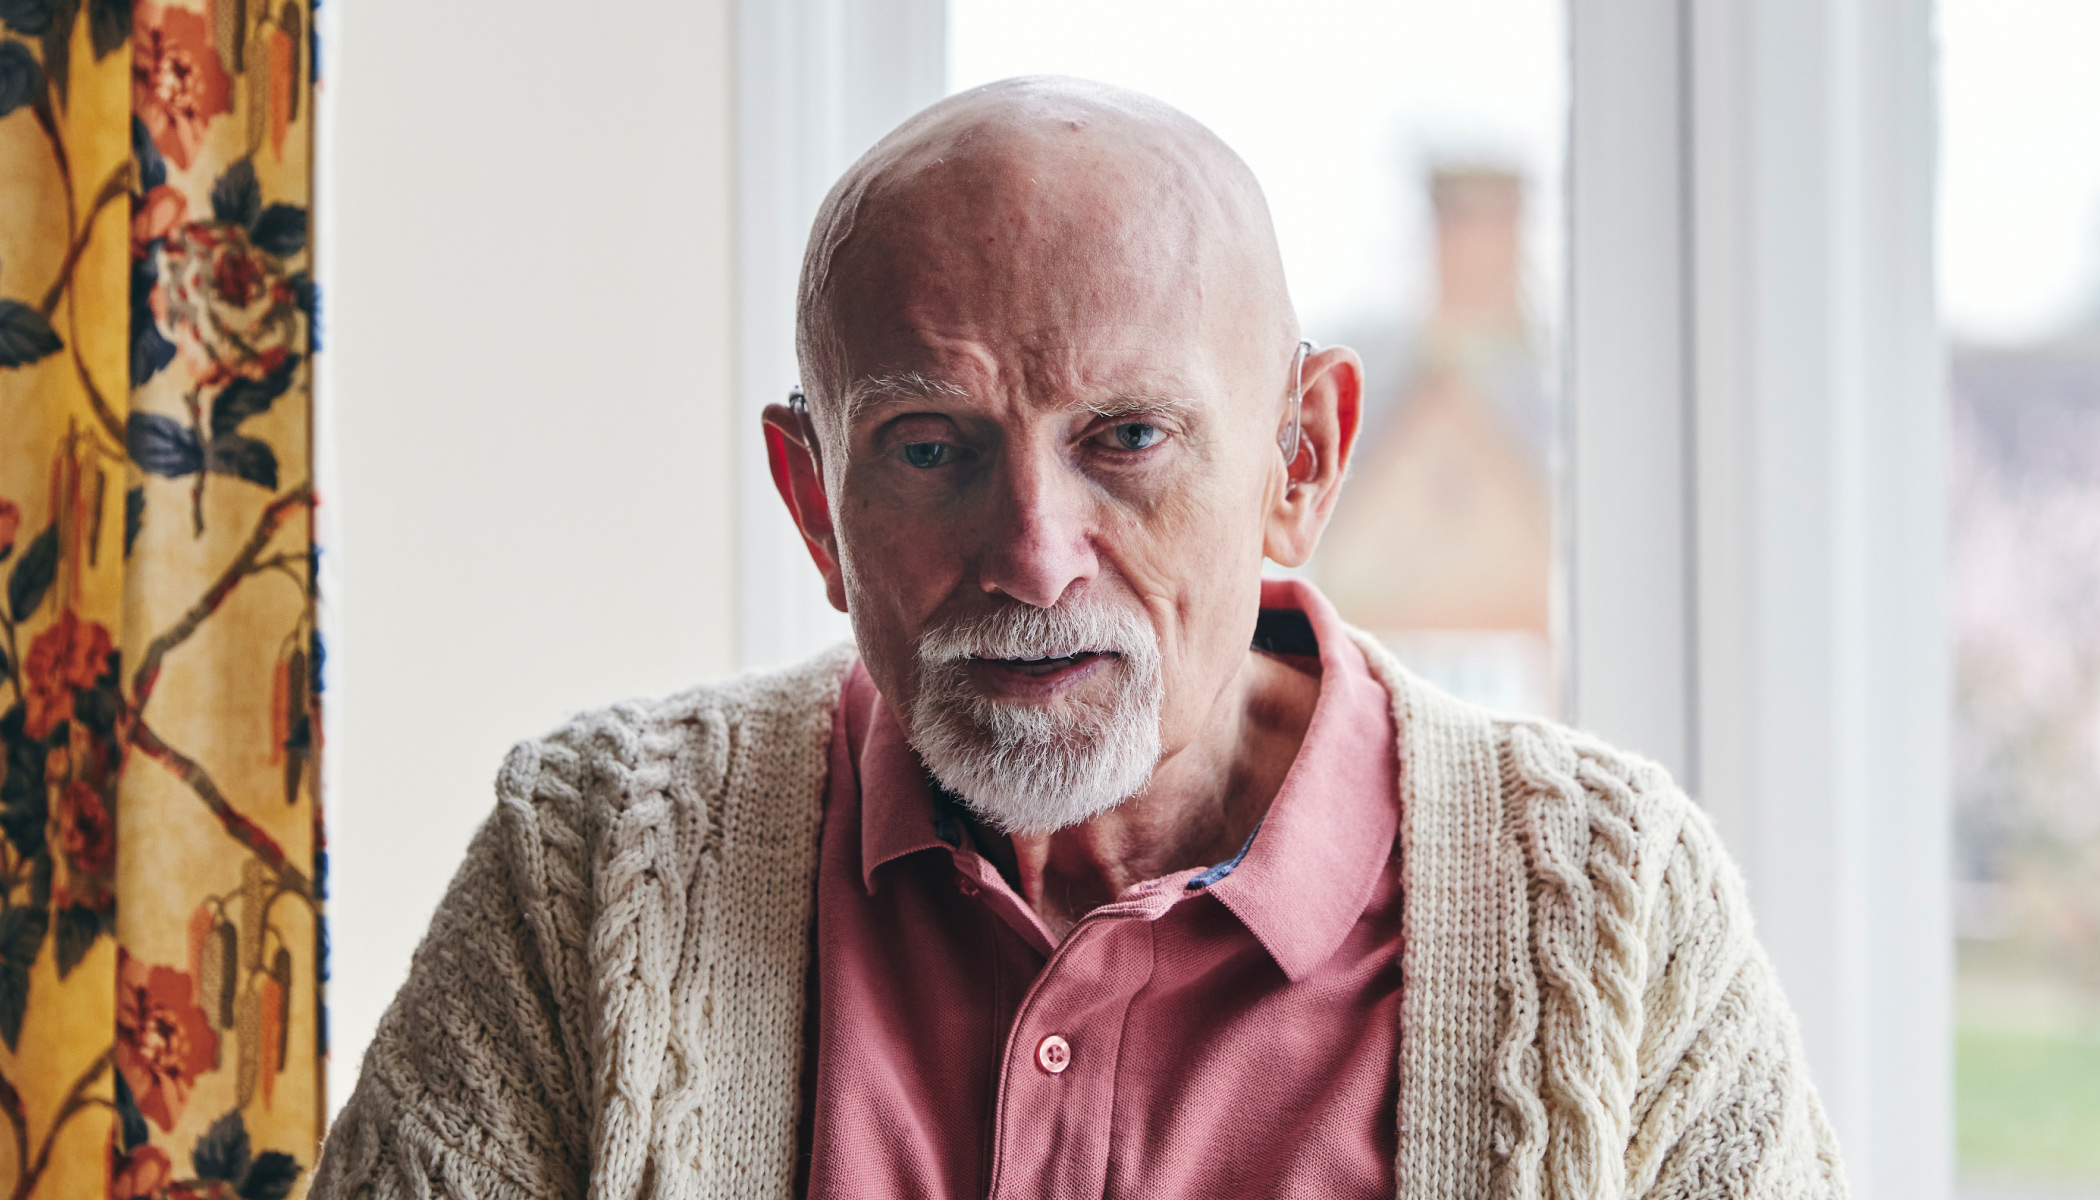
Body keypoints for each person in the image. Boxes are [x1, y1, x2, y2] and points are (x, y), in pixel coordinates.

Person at [312, 77, 1845, 1200]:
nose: (1033, 556)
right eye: (930, 447)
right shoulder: (593, 864)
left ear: (1301, 463)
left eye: (1126, 437)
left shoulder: (1615, 910)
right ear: (814, 500)